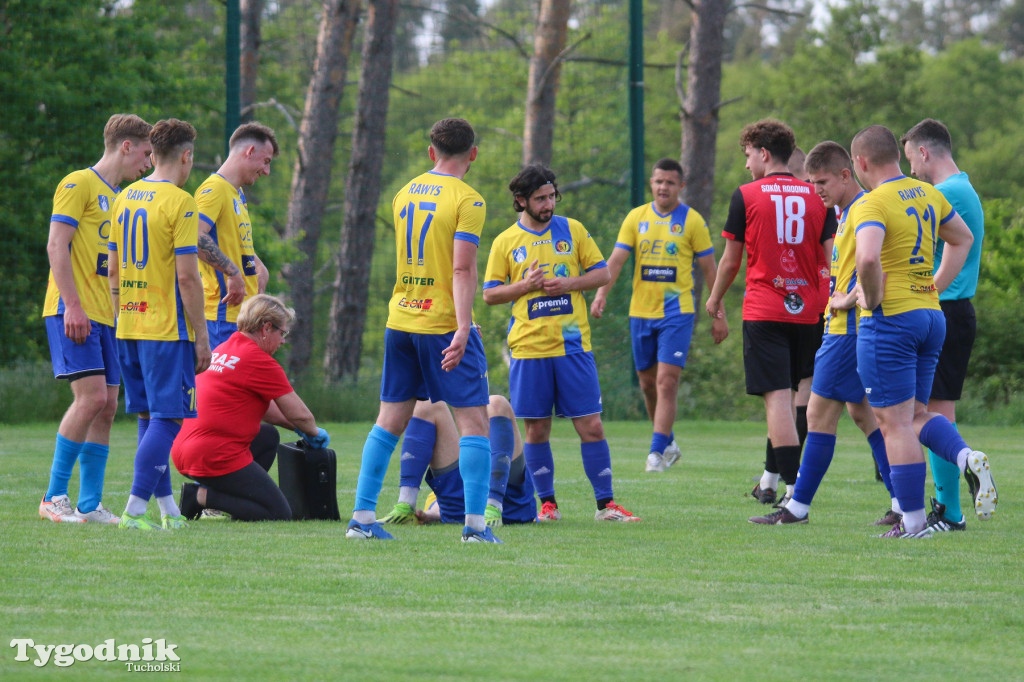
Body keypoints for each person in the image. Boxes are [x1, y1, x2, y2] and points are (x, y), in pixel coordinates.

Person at [347, 118, 498, 543]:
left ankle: (362, 518)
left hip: (401, 320)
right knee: (474, 421)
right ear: (473, 154)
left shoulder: (405, 192)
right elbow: (462, 268)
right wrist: (464, 326)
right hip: (441, 323)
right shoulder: (468, 200)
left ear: (432, 152)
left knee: (388, 421)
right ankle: (475, 528)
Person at [849, 124, 995, 538]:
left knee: (892, 422)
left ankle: (912, 522)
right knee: (915, 416)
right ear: (897, 156)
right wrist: (931, 286)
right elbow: (963, 238)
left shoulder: (872, 202)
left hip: (892, 319)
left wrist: (870, 298)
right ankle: (965, 457)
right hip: (931, 316)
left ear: (860, 162)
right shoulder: (929, 194)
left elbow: (868, 258)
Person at [483, 164, 641, 523]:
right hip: (529, 349)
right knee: (537, 429)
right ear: (521, 200)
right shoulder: (506, 241)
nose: (549, 204)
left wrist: (568, 283)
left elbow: (603, 273)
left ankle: (606, 506)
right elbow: (490, 294)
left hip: (573, 347)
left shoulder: (573, 230)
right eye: (540, 198)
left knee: (592, 426)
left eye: (552, 196)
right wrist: (525, 286)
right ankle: (548, 505)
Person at [750, 141, 895, 525]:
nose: (816, 191)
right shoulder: (845, 212)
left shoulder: (863, 209)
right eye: (812, 182)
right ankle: (901, 503)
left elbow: (876, 263)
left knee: (816, 414)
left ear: (846, 174)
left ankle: (797, 507)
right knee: (864, 415)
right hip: (850, 329)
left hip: (847, 330)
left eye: (822, 183)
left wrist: (848, 298)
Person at [705, 119, 835, 509]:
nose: (747, 164)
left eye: (748, 155)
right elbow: (831, 258)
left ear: (763, 153)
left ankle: (793, 492)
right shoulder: (817, 196)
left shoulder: (746, 195)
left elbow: (730, 262)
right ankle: (780, 486)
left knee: (777, 399)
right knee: (802, 393)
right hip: (810, 310)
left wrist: (714, 300)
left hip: (766, 310)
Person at [39, 114, 153, 524]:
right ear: (126, 146)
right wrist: (72, 305)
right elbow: (57, 246)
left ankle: (89, 504)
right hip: (73, 310)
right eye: (146, 154)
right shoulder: (78, 183)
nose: (149, 164)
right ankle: (53, 497)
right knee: (91, 399)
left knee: (107, 407)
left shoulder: (121, 198)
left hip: (108, 317)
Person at [590, 158, 728, 473]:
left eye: (670, 182)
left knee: (667, 382)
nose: (663, 187)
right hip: (641, 312)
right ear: (651, 184)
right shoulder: (636, 218)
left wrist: (719, 313)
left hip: (677, 312)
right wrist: (601, 294)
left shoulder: (692, 221)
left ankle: (655, 453)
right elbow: (615, 261)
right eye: (658, 181)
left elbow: (710, 269)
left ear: (681, 186)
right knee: (648, 385)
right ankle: (668, 442)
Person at [108, 118, 212, 531]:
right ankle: (134, 511)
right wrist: (201, 336)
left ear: (152, 154)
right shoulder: (181, 202)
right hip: (165, 329)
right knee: (168, 419)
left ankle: (168, 510)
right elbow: (187, 277)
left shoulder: (125, 196)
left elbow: (113, 269)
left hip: (129, 325)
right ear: (186, 156)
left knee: (150, 418)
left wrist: (119, 314)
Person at [172, 294, 328, 521]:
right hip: (211, 454)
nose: (283, 341)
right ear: (266, 328)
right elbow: (301, 415)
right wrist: (313, 432)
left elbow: (269, 411)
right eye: (282, 333)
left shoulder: (225, 348)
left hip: (183, 449)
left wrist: (297, 428)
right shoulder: (259, 360)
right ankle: (199, 497)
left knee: (267, 436)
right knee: (278, 513)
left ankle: (227, 498)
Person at [901, 118, 986, 532]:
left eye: (910, 160)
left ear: (924, 152)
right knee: (934, 411)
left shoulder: (943, 194)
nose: (911, 170)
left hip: (944, 310)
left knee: (933, 415)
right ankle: (944, 505)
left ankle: (950, 511)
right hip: (955, 311)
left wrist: (925, 291)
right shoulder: (963, 188)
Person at [379, 394, 536, 527]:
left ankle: (493, 506)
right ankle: (405, 505)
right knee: (425, 402)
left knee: (496, 403)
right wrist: (434, 513)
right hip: (460, 505)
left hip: (508, 503)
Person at [195, 122, 277, 349]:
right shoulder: (214, 190)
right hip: (221, 317)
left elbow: (233, 242)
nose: (267, 171)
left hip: (241, 317)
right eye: (266, 161)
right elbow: (194, 236)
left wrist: (258, 266)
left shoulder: (237, 193)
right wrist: (232, 272)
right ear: (250, 151)